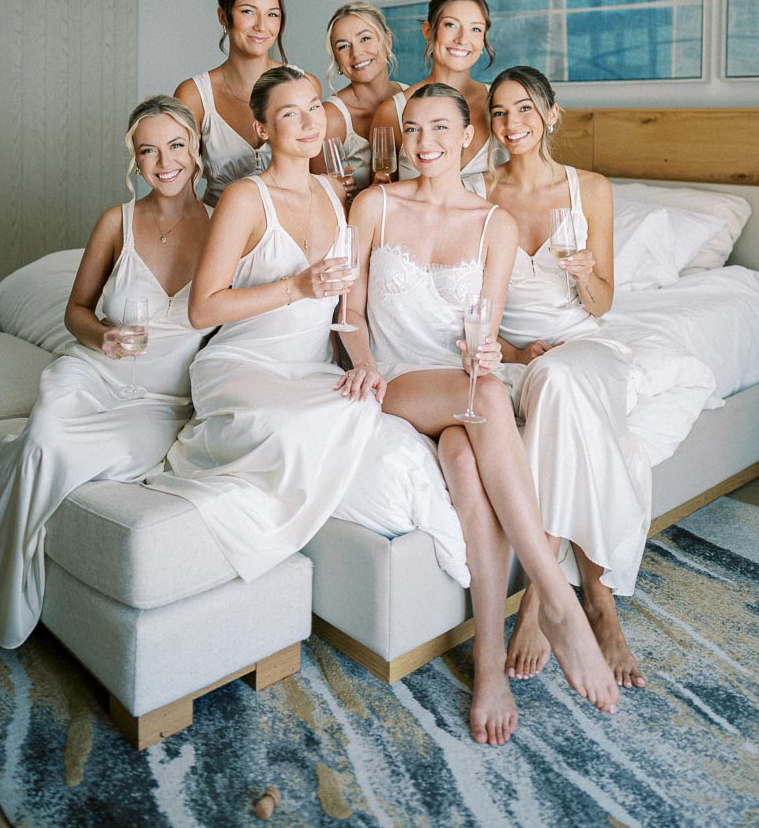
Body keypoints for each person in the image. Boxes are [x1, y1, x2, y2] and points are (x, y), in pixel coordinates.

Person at [345, 83, 620, 744]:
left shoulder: (493, 222)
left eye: (440, 129)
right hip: (400, 381)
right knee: (490, 396)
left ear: (469, 136)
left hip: (463, 386)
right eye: (413, 130)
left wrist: (494, 349)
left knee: (468, 461)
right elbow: (349, 314)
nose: (424, 144)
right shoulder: (374, 205)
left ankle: (490, 663)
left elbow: (484, 331)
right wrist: (362, 361)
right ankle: (556, 597)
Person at [146, 66, 468, 590]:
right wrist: (297, 287)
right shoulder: (245, 198)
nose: (308, 121)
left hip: (310, 367)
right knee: (293, 430)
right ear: (262, 129)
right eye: (288, 113)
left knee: (374, 418)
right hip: (244, 364)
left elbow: (349, 303)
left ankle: (459, 545)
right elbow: (202, 310)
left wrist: (365, 360)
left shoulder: (331, 192)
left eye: (314, 106)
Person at [467, 66, 715, 691]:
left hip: (587, 344)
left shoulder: (591, 190)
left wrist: (583, 275)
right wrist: (516, 353)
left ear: (551, 115)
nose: (511, 124)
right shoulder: (476, 190)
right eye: (498, 113)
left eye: (524, 109)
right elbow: (464, 304)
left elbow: (602, 303)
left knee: (561, 380)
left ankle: (537, 603)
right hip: (517, 355)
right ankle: (596, 601)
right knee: (553, 383)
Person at [0, 96, 214, 647]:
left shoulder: (224, 227)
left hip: (162, 402)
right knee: (46, 440)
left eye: (176, 145)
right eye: (149, 150)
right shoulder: (117, 222)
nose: (165, 162)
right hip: (93, 373)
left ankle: (2, 465)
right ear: (134, 162)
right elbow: (76, 313)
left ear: (197, 149)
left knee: (61, 454)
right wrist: (104, 336)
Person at [175, 0, 320, 206]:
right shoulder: (194, 96)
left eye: (272, 14)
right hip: (215, 229)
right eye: (248, 11)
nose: (262, 26)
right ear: (223, 16)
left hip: (287, 232)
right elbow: (179, 192)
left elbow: (316, 177)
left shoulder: (305, 85)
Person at [370, 0, 507, 181]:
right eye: (451, 25)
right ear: (428, 31)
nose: (462, 39)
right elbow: (381, 193)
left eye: (475, 29)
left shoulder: (500, 104)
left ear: (484, 39)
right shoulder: (392, 112)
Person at [309, 1, 405, 193]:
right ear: (337, 60)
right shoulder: (331, 117)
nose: (357, 53)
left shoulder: (411, 99)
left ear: (387, 40)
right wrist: (339, 191)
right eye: (344, 46)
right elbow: (319, 197)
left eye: (365, 39)